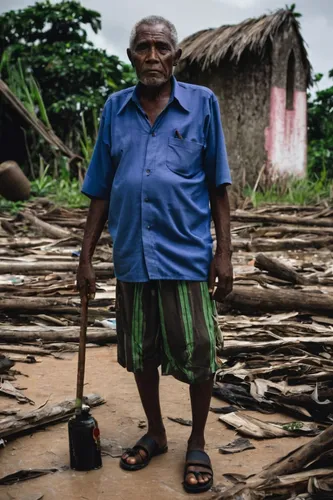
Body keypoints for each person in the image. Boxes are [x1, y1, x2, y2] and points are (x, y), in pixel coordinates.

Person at [77, 15, 233, 494]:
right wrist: (84, 258)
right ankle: (158, 432)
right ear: (130, 57)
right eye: (142, 47)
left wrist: (224, 253)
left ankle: (199, 441)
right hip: (132, 255)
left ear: (175, 56)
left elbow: (218, 186)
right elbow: (100, 189)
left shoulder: (202, 104)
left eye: (161, 47)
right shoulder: (114, 109)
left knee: (199, 351)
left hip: (184, 254)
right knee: (141, 352)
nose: (151, 55)